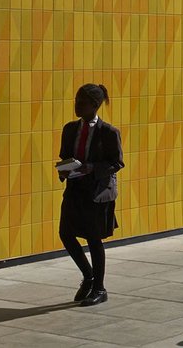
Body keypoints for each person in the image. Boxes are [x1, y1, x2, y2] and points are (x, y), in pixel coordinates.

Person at [57, 83, 124, 305]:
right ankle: (88, 275)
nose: (77, 106)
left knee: (93, 239)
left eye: (82, 103)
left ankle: (99, 288)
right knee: (66, 233)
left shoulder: (109, 132)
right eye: (76, 101)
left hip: (96, 190)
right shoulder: (69, 129)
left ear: (94, 105)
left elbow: (117, 162)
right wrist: (64, 170)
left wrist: (93, 168)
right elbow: (66, 155)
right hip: (75, 188)